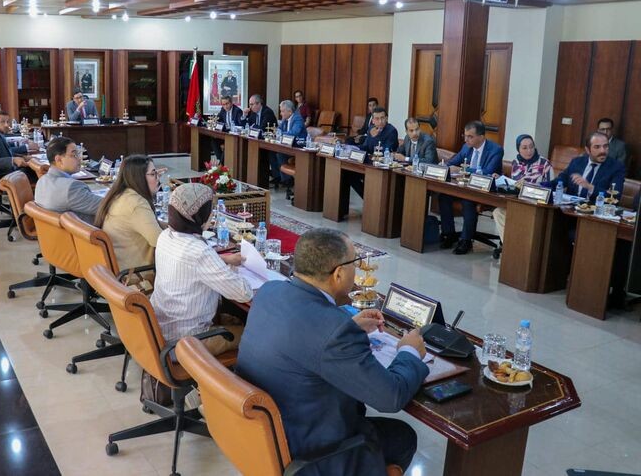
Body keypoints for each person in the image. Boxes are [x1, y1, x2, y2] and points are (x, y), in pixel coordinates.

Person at [236, 228, 428, 476]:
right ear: (338, 274)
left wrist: (347, 326)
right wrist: (409, 351)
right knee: (402, 436)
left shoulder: (270, 291)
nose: (356, 270)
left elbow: (303, 329)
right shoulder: (335, 330)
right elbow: (391, 397)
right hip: (307, 452)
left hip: (262, 433)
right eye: (354, 263)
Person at [150, 183, 251, 355]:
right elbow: (244, 293)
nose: (212, 215)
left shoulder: (165, 236)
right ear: (200, 216)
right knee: (253, 334)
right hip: (188, 341)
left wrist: (222, 259)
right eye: (210, 210)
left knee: (233, 317)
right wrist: (234, 269)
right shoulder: (199, 252)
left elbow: (188, 263)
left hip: (162, 328)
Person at [438, 120, 505, 255]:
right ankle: (449, 234)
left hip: (484, 191)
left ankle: (466, 240)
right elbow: (454, 161)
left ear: (481, 137)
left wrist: (463, 170)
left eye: (470, 137)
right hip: (465, 187)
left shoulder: (496, 150)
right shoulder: (466, 147)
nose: (466, 140)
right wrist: (445, 165)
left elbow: (487, 172)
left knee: (468, 201)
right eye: (465, 136)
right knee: (443, 196)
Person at [94, 155, 163, 271]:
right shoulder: (136, 204)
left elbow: (152, 224)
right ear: (138, 178)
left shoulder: (119, 194)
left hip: (114, 268)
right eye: (153, 174)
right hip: (134, 274)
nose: (158, 178)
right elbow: (160, 242)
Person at [492, 134, 554, 242]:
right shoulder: (516, 162)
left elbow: (551, 188)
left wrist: (530, 186)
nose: (529, 151)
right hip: (518, 202)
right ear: (518, 149)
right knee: (498, 212)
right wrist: (501, 179)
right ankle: (509, 245)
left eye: (531, 147)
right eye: (524, 148)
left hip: (536, 205)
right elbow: (515, 185)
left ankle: (511, 246)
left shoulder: (545, 164)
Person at [34, 136, 103, 224]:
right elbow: (107, 207)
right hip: (88, 231)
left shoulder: (41, 181)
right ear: (59, 160)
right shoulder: (72, 188)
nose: (79, 158)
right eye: (74, 155)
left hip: (54, 231)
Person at [556, 131, 625, 201]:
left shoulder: (616, 167)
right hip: (570, 206)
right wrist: (548, 186)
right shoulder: (577, 162)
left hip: (596, 207)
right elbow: (561, 180)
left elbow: (615, 197)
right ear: (588, 150)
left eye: (605, 146)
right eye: (597, 147)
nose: (603, 151)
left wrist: (590, 187)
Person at [349, 107, 399, 198]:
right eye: (377, 118)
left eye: (382, 118)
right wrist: (353, 148)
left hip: (383, 167)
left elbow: (386, 151)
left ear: (386, 118)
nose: (380, 121)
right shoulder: (371, 129)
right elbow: (366, 146)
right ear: (373, 121)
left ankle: (371, 199)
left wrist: (375, 137)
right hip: (370, 163)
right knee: (350, 174)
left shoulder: (392, 131)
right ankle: (368, 198)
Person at [0, 110, 38, 182]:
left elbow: (5, 153)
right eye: (2, 122)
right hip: (7, 176)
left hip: (11, 172)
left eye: (7, 122)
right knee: (42, 173)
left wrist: (23, 157)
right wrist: (13, 160)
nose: (6, 125)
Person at [276, 100, 307, 198]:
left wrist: (280, 134)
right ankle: (287, 181)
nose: (281, 113)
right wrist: (278, 133)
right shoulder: (285, 119)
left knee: (280, 154)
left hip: (299, 148)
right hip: (289, 147)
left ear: (289, 111)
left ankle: (288, 181)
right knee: (277, 153)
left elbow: (294, 132)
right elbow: (279, 129)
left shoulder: (297, 118)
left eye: (282, 111)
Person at [213, 95, 245, 163]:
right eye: (223, 104)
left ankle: (221, 164)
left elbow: (240, 124)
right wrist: (214, 121)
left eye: (227, 104)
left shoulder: (237, 111)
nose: (225, 106)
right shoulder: (223, 110)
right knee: (214, 141)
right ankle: (221, 159)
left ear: (231, 103)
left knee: (228, 143)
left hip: (235, 135)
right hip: (226, 134)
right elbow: (217, 119)